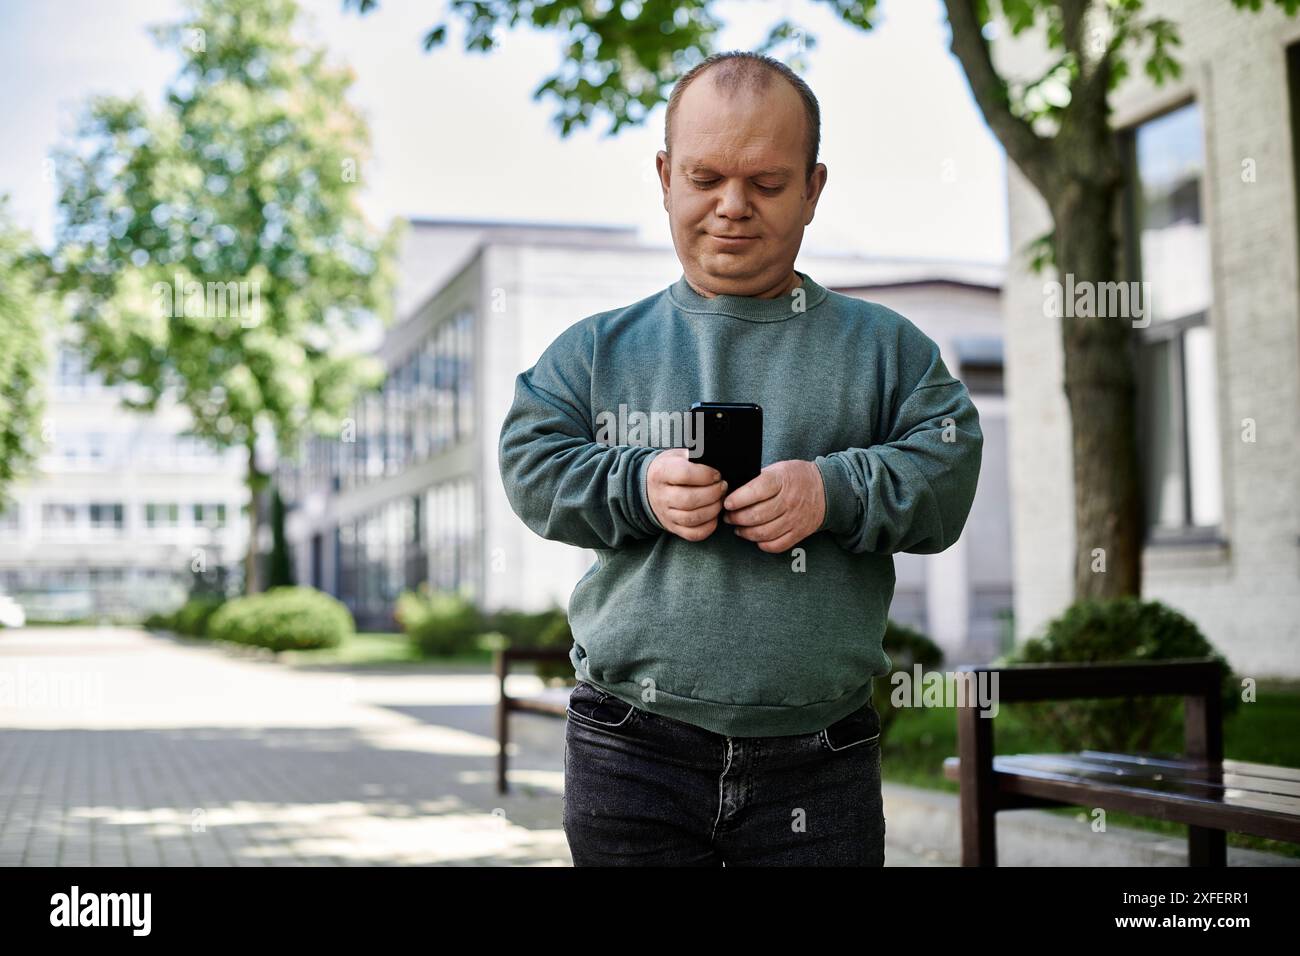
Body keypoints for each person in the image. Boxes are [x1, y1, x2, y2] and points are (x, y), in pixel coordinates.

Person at [498, 50, 983, 866]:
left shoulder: (886, 349)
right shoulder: (595, 350)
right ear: (664, 176)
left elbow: (950, 471)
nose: (732, 207)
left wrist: (835, 491)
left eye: (765, 183)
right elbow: (528, 459)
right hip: (630, 748)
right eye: (706, 177)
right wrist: (636, 485)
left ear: (813, 189)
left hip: (820, 760)